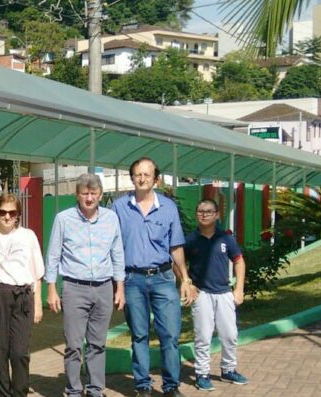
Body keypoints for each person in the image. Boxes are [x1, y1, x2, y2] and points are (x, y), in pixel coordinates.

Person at [111, 157, 196, 397]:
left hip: (163, 278)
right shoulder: (119, 208)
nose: (142, 178)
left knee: (170, 335)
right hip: (132, 280)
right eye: (138, 174)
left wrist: (185, 280)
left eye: (147, 174)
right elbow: (111, 245)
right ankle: (142, 386)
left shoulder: (168, 207)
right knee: (139, 334)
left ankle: (171, 386)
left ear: (155, 179)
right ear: (132, 178)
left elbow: (176, 248)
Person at [45, 173, 125, 397]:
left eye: (93, 193)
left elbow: (117, 254)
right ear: (77, 195)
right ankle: (73, 389)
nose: (89, 198)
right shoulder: (64, 219)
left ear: (100, 195)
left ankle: (96, 389)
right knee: (73, 344)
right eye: (84, 193)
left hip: (103, 287)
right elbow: (53, 256)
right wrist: (51, 289)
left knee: (97, 343)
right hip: (74, 288)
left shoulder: (111, 218)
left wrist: (120, 288)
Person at [0, 193, 44, 397]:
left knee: (20, 352)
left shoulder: (28, 236)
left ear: (18, 215)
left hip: (22, 296)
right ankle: (4, 393)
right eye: (2, 212)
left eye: (12, 212)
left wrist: (37, 303)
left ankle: (19, 393)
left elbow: (36, 272)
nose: (7, 216)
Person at [184, 199, 248, 391]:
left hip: (224, 293)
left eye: (209, 211)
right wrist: (187, 284)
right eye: (201, 211)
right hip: (201, 294)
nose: (204, 214)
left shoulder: (226, 238)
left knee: (230, 334)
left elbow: (239, 262)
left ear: (217, 214)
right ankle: (202, 374)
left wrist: (239, 289)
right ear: (197, 214)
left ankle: (228, 370)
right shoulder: (190, 240)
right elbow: (178, 265)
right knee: (202, 336)